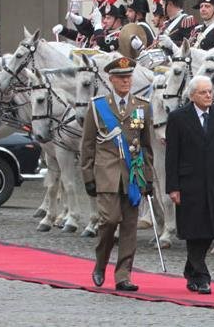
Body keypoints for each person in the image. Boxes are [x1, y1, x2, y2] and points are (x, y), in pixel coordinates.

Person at [80, 56, 154, 291]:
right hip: (107, 175)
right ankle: (101, 262)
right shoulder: (98, 106)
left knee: (130, 227)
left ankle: (123, 275)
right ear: (111, 79)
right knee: (109, 221)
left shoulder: (142, 106)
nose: (126, 81)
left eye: (128, 77)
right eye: (121, 78)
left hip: (133, 175)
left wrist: (148, 178)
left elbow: (146, 146)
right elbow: (87, 145)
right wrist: (88, 177)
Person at [165, 75, 214, 295]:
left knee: (209, 229)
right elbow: (172, 155)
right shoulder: (178, 117)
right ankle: (203, 276)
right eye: (203, 92)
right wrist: (172, 187)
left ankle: (191, 270)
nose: (208, 95)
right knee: (193, 228)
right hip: (188, 182)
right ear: (192, 95)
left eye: (210, 92)